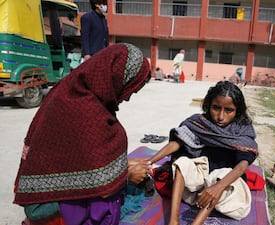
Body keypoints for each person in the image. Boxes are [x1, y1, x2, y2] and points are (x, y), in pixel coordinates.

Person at [13, 43, 152, 224]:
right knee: (110, 200)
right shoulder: (87, 112)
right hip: (50, 210)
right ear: (117, 78)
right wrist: (126, 176)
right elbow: (101, 185)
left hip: (44, 196)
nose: (127, 97)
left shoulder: (72, 90)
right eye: (130, 89)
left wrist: (122, 166)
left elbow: (79, 159)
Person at [148, 81, 258, 225]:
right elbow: (178, 142)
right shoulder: (200, 123)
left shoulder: (242, 130)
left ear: (237, 110)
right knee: (182, 162)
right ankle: (173, 221)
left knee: (221, 175)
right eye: (216, 108)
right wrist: (149, 161)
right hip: (199, 186)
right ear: (208, 105)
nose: (220, 116)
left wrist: (217, 188)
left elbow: (242, 166)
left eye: (228, 110)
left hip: (226, 186)